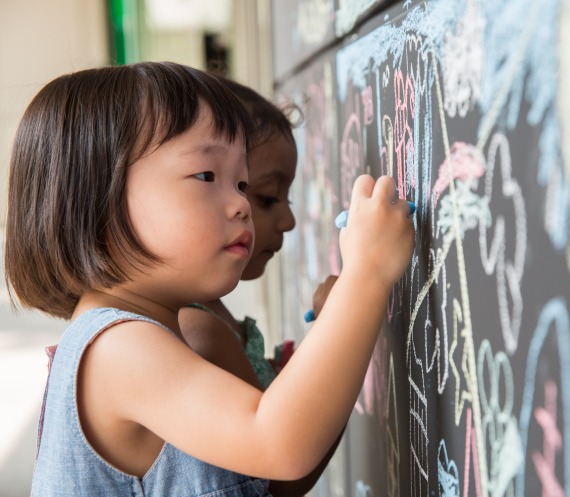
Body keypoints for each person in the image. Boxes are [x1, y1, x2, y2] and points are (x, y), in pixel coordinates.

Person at [4, 61, 415, 496]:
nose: (240, 205)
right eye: (206, 176)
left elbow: (276, 470)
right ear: (95, 204)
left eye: (240, 183)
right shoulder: (117, 349)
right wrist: (366, 275)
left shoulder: (141, 335)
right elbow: (279, 446)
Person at [178, 77, 334, 496]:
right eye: (264, 197)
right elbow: (283, 479)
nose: (288, 221)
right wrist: (342, 326)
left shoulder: (208, 317)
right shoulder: (199, 331)